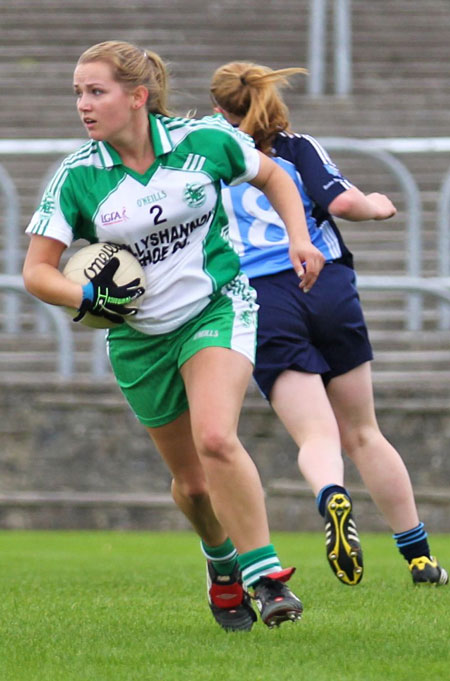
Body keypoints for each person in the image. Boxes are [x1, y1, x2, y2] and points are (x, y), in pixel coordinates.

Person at [22, 41, 326, 633]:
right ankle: (221, 561)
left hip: (215, 306)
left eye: (96, 91)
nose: (83, 105)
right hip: (138, 338)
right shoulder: (78, 177)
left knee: (216, 438)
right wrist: (86, 297)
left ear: (137, 97)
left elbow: (275, 177)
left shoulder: (202, 142)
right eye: (78, 93)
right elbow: (36, 271)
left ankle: (266, 578)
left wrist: (299, 236)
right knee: (190, 485)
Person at [204, 60, 448, 590]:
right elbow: (342, 202)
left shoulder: (208, 157)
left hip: (264, 297)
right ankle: (421, 559)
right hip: (326, 282)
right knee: (364, 431)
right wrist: (380, 206)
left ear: (220, 108)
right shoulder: (299, 146)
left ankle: (331, 496)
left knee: (317, 434)